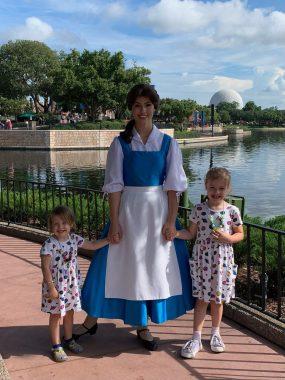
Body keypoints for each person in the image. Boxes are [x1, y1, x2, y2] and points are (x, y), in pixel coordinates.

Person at [75, 83, 194, 350]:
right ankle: (91, 319)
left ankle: (143, 324)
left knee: (150, 267)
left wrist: (170, 221)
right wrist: (115, 222)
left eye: (147, 105)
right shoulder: (120, 144)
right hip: (128, 213)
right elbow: (114, 186)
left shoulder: (168, 143)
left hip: (158, 214)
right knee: (112, 264)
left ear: (155, 108)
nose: (143, 110)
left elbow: (173, 188)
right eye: (138, 105)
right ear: (131, 109)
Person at [175, 167, 244, 359]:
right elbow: (191, 233)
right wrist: (175, 234)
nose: (216, 192)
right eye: (212, 187)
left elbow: (240, 234)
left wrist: (228, 238)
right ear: (206, 186)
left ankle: (215, 333)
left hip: (222, 262)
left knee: (218, 299)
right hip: (202, 261)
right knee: (202, 299)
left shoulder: (232, 211)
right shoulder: (198, 209)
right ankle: (196, 337)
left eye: (221, 188)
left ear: (227, 189)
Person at [40, 205, 109, 362]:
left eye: (64, 223)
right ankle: (56, 346)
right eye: (56, 224)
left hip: (70, 285)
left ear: (71, 224)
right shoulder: (49, 244)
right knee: (56, 315)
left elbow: (92, 245)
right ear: (51, 226)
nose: (60, 227)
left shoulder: (75, 239)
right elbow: (45, 267)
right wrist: (51, 287)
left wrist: (108, 240)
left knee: (69, 312)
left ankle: (69, 339)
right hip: (56, 286)